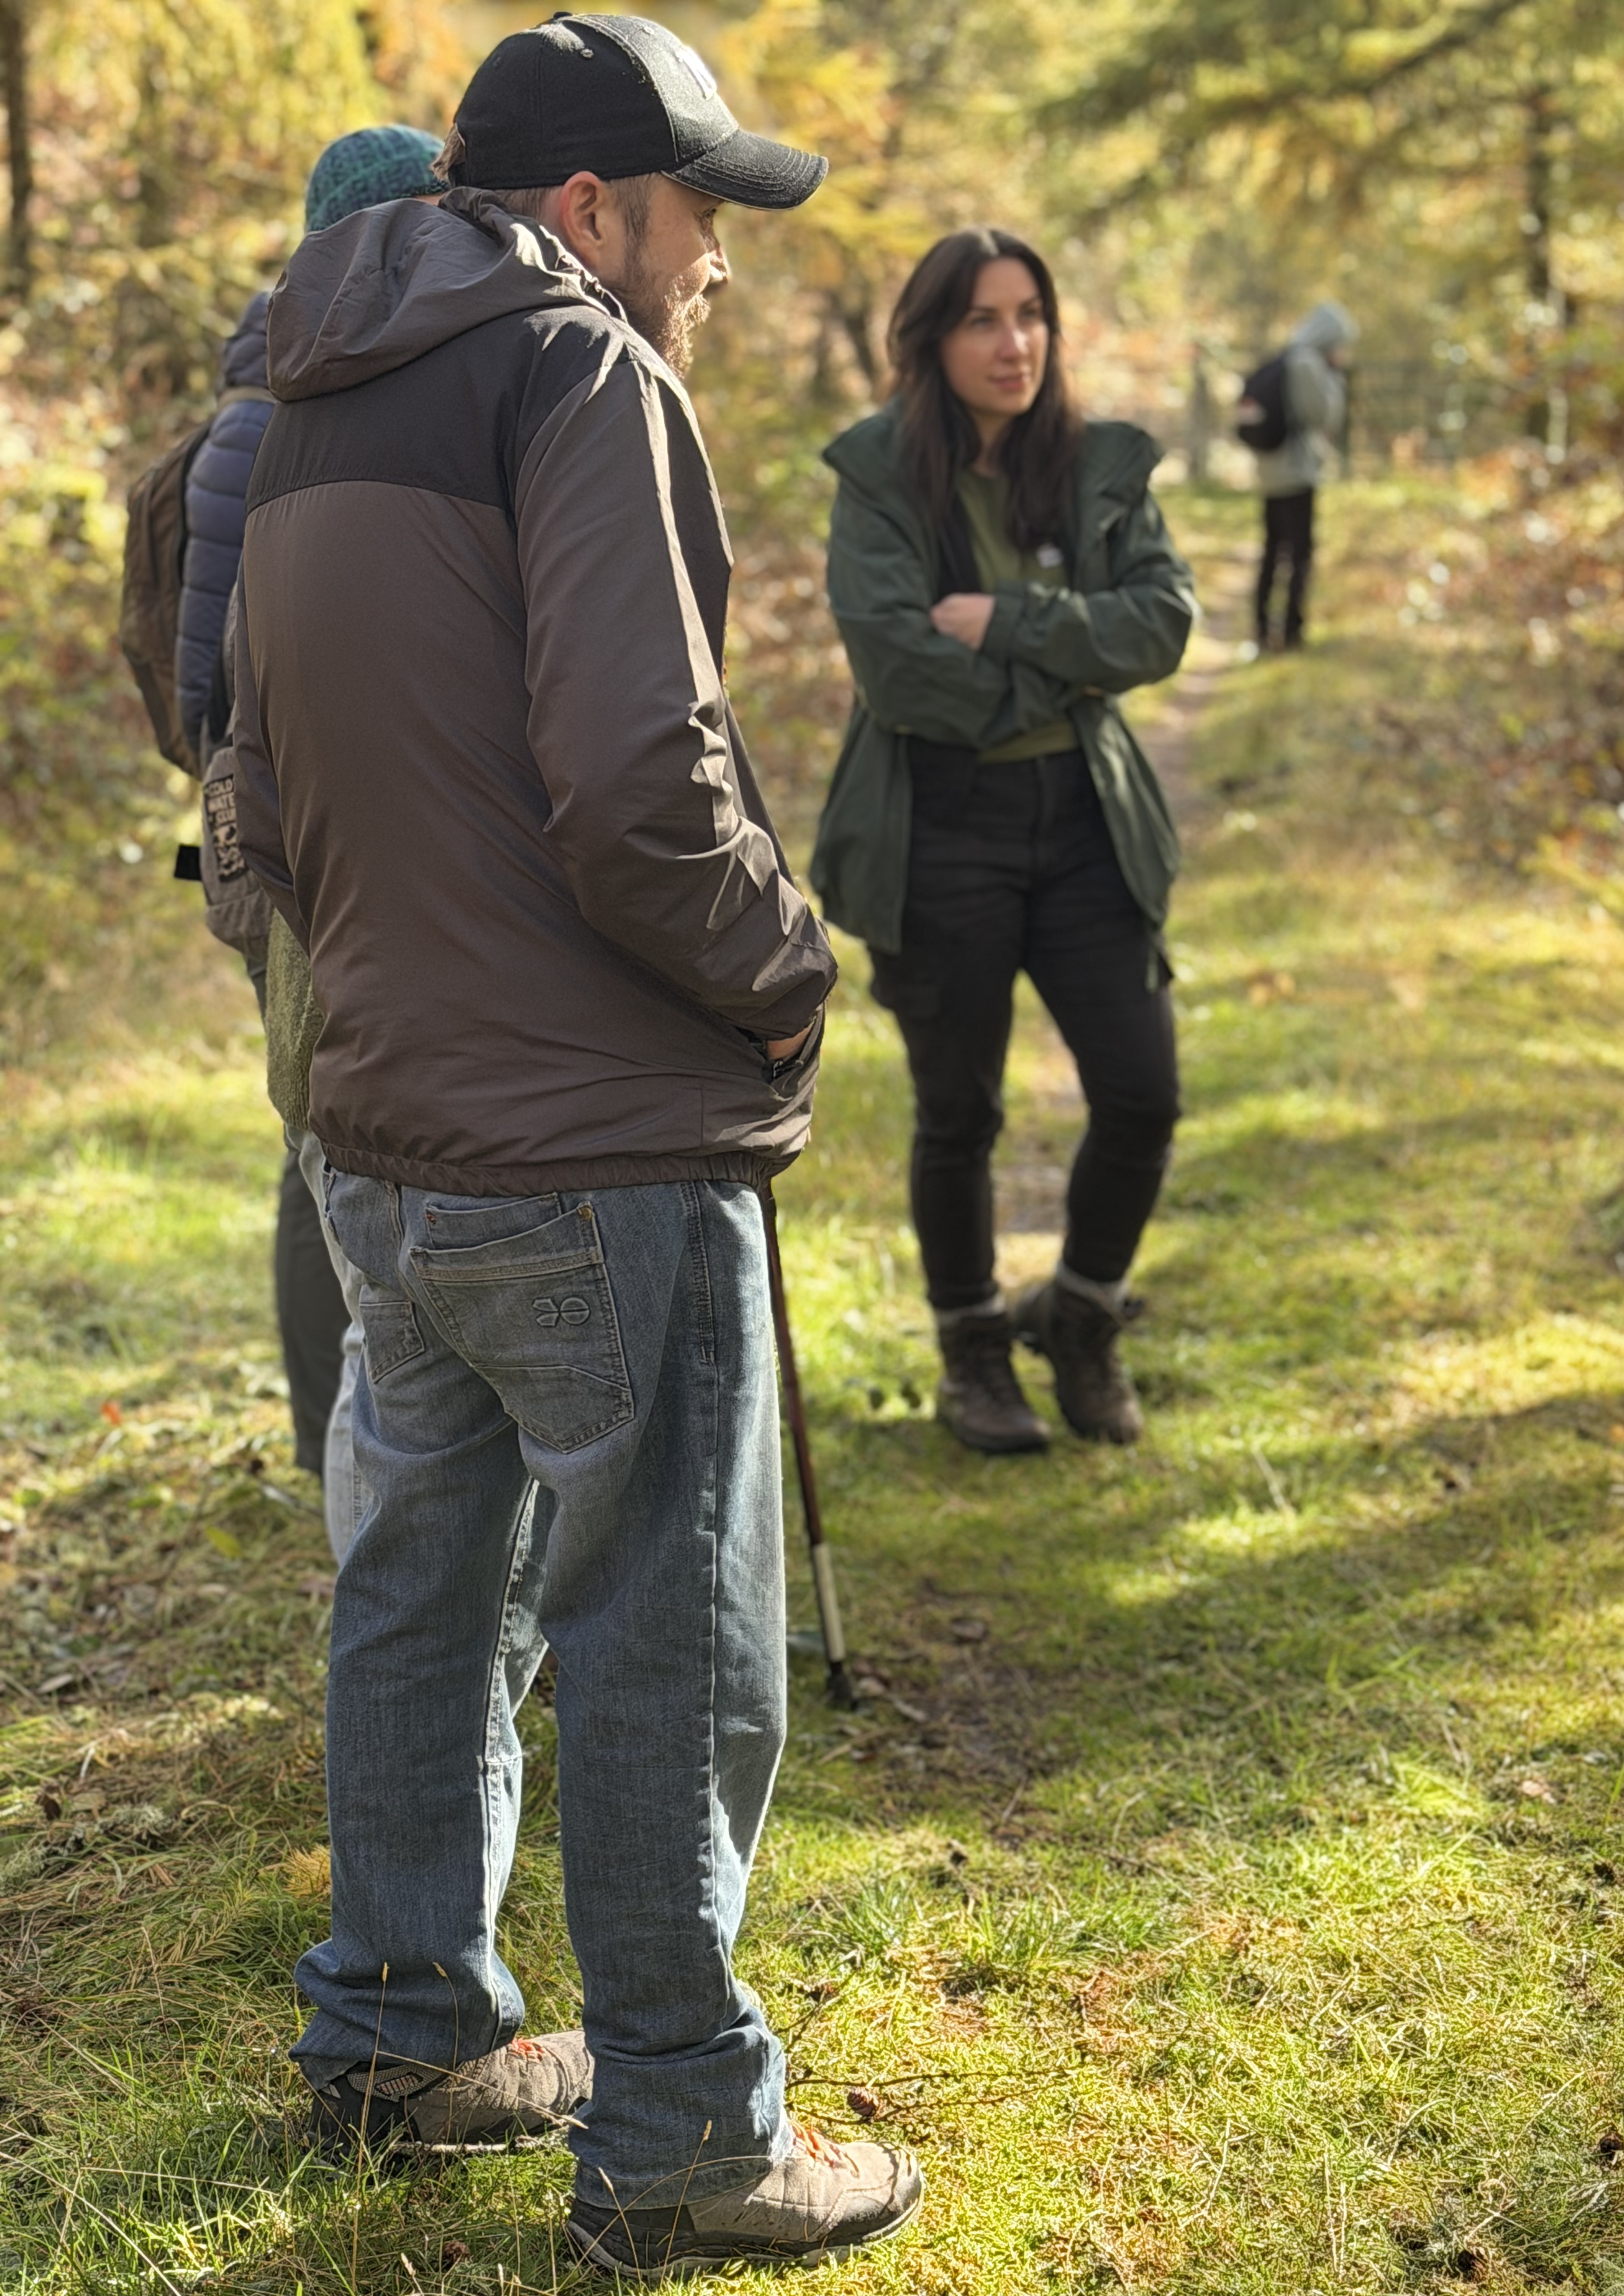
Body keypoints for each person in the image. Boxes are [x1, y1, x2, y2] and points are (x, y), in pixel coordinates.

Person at [233, 14, 922, 2279]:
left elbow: (250, 788)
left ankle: (404, 2033)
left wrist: (355, 1019)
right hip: (586, 1138)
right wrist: (785, 961)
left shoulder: (301, 392)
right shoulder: (579, 371)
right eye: (702, 213)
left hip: (381, 1139)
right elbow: (643, 781)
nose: (717, 265)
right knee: (664, 1635)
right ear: (591, 211)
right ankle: (689, 2137)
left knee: (416, 1599)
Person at [812, 227, 1195, 1454]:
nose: (1015, 341)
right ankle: (974, 1349)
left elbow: (1162, 625)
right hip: (943, 817)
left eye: (1031, 313)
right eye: (983, 318)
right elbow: (897, 665)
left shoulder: (1094, 462)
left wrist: (1019, 623)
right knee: (957, 1111)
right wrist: (1067, 674)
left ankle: (1078, 1315)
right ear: (930, 340)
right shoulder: (879, 472)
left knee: (1143, 1089)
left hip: (1084, 821)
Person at [176, 124, 446, 1540]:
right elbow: (210, 683)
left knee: (330, 1132)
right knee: (325, 1137)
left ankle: (348, 1437)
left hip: (291, 834)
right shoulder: (269, 418)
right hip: (292, 848)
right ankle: (338, 1442)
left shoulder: (278, 394)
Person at [1246, 299, 1358, 653]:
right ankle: (1291, 633)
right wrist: (1337, 377)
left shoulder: (1285, 357)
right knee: (1298, 554)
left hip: (1270, 473)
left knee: (1271, 552)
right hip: (1296, 474)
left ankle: (1264, 629)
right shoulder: (1308, 363)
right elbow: (1323, 416)